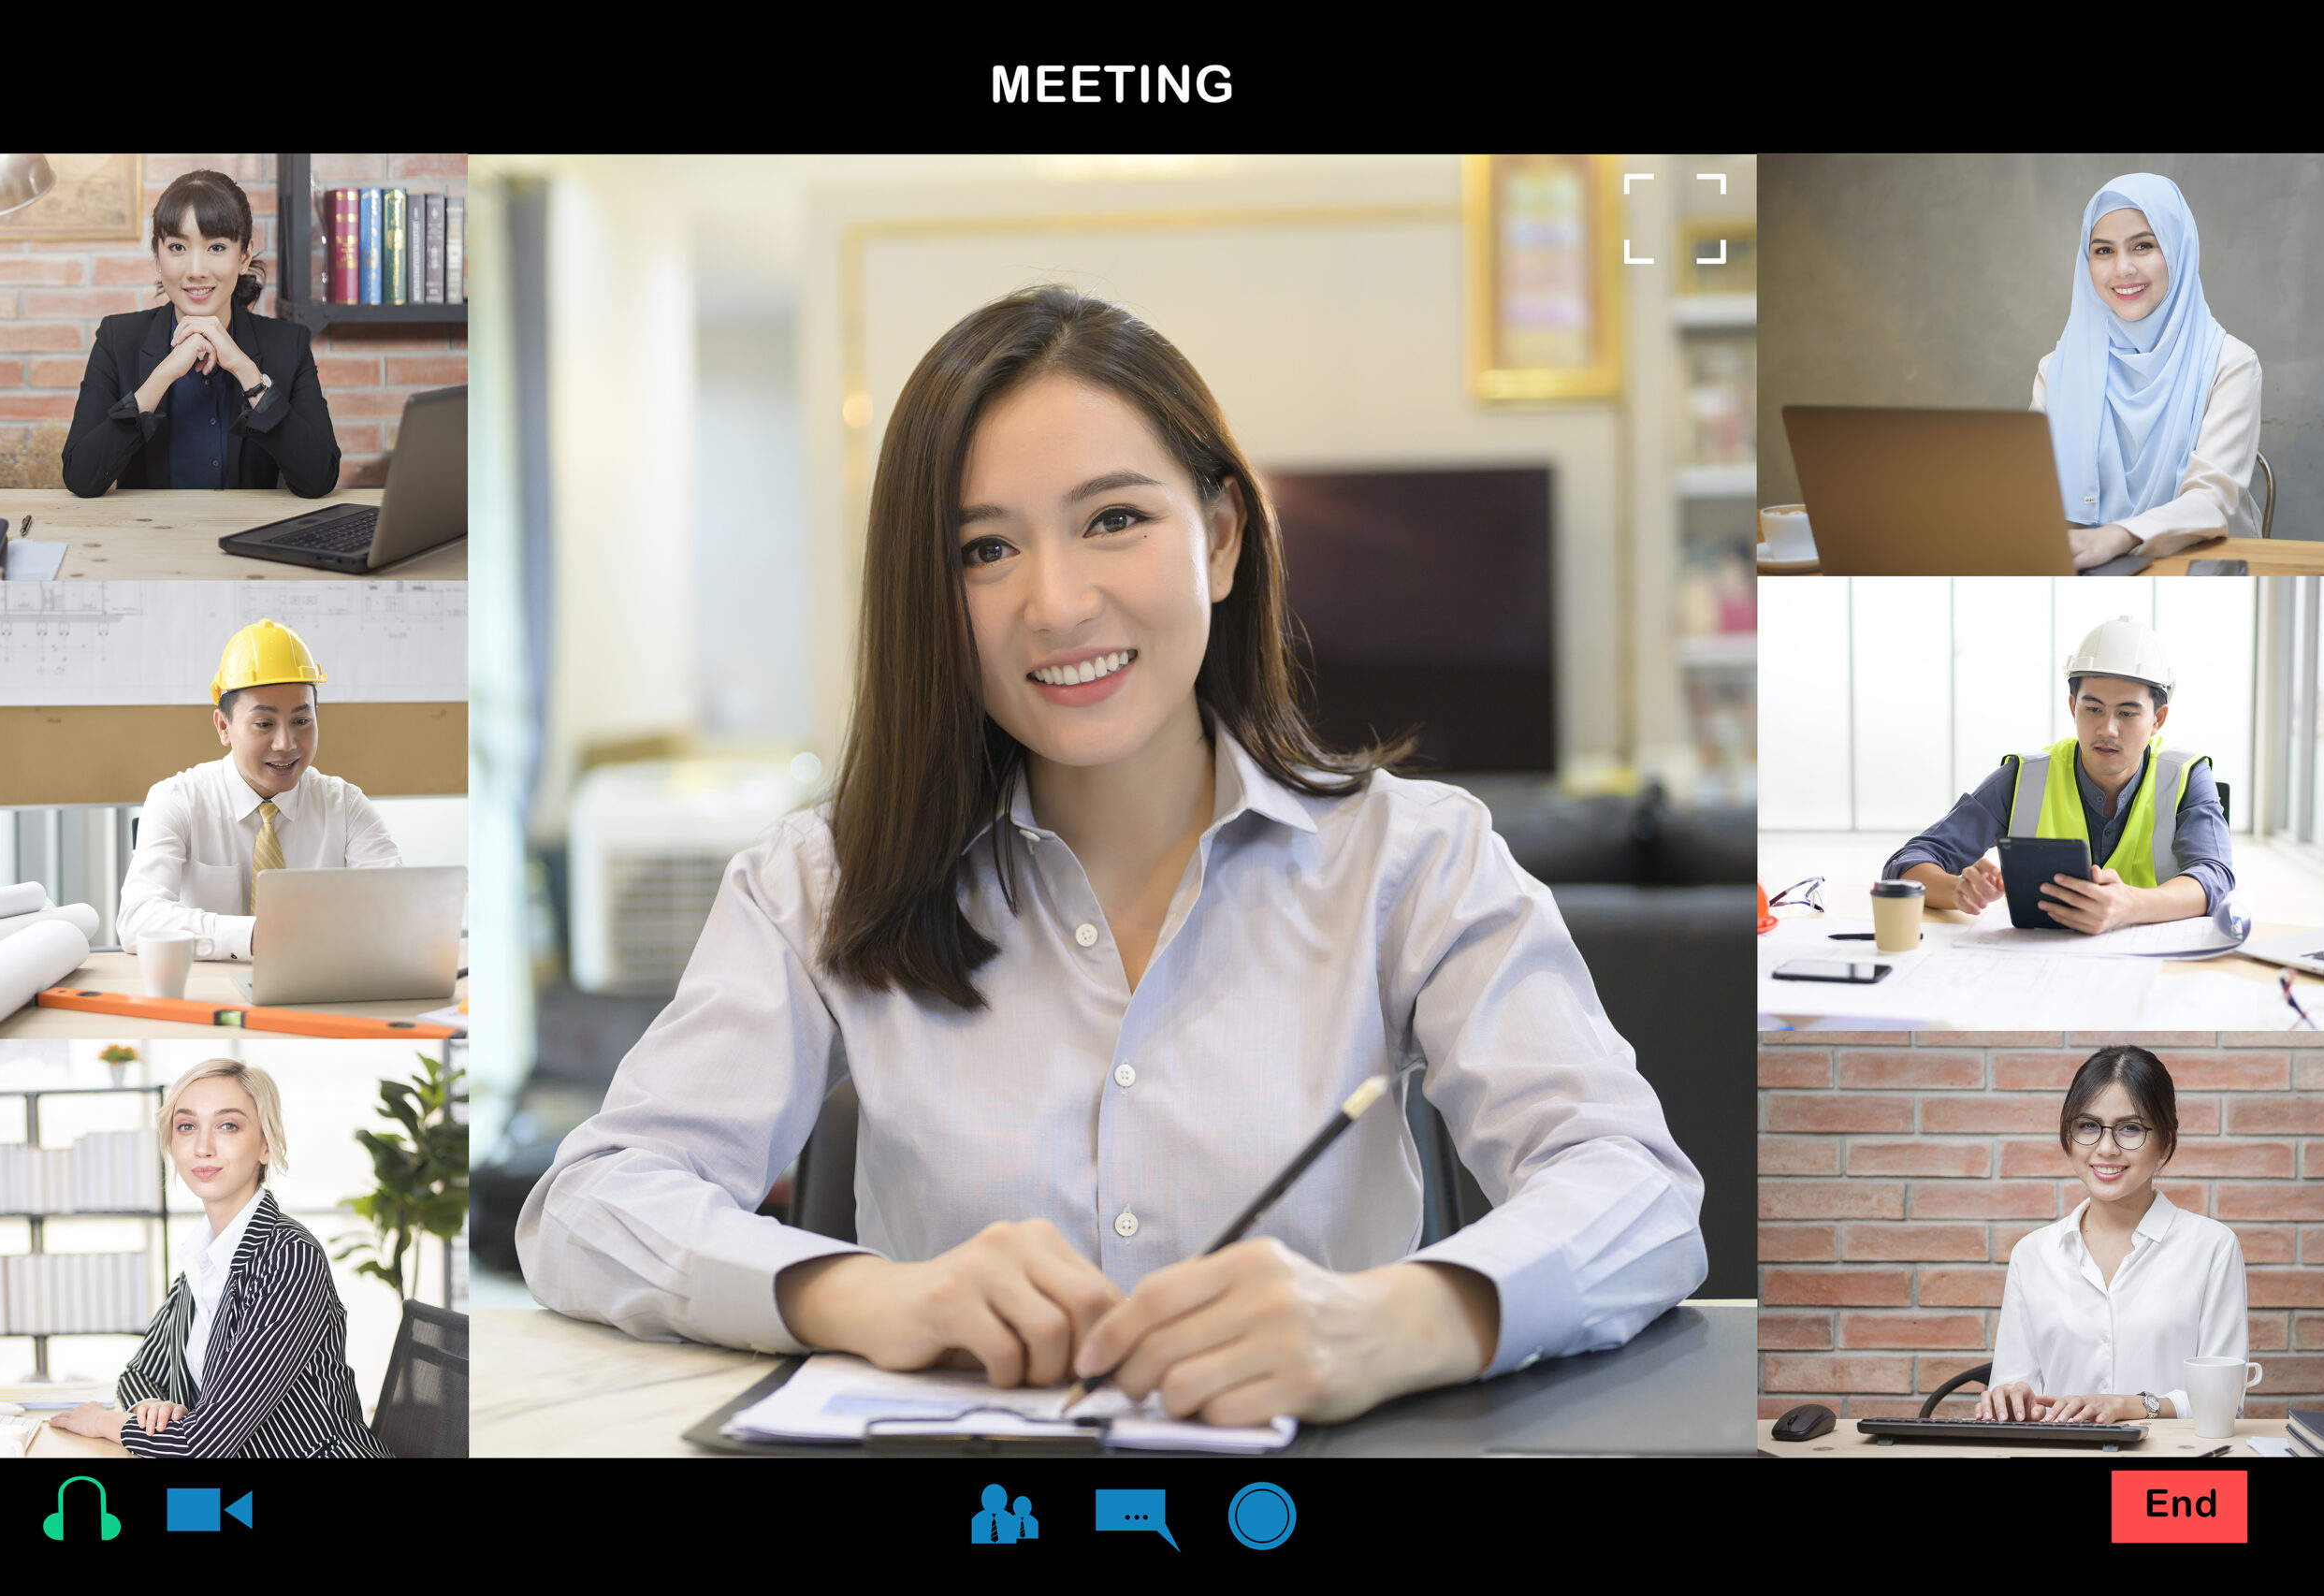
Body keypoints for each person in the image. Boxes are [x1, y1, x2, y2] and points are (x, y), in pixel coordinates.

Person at [519, 285, 1706, 1429]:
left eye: (1114, 519)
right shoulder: (814, 882)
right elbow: (590, 1204)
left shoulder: (1415, 858)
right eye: (984, 549)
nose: (1056, 602)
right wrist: (868, 1295)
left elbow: (1636, 1192)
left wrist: (1395, 1318)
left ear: (1223, 538)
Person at [47, 1059, 389, 1456]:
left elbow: (205, 1444)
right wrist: (150, 1411)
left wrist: (106, 1423)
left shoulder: (288, 1257)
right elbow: (141, 1373)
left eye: (228, 1125)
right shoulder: (205, 1258)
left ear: (265, 1144)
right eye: (186, 1126)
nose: (203, 1147)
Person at [1887, 616, 2230, 933]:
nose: (2107, 729)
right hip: (2038, 968)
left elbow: (2216, 877)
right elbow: (1908, 863)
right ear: (2072, 707)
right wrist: (1959, 889)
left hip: (2156, 967)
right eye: (2093, 709)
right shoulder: (2025, 778)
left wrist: (2130, 905)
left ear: (2158, 719)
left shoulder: (2186, 777)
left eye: (2127, 713)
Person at [1975, 1046, 2246, 1424]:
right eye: (2088, 1126)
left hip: (2168, 1473)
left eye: (2130, 1129)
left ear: (2166, 1141)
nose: (2106, 1148)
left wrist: (2126, 1406)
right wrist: (2010, 1397)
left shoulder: (2212, 1247)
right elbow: (2015, 1387)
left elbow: (2225, 1400)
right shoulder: (2033, 1253)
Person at [117, 618, 400, 961]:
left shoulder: (345, 805)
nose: (286, 744)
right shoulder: (177, 800)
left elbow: (396, 907)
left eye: (301, 721)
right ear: (224, 727)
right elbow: (137, 920)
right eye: (264, 724)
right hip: (207, 997)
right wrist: (255, 935)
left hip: (319, 987)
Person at [61, 168, 341, 498]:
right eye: (178, 247)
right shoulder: (117, 339)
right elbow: (81, 476)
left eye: (217, 247)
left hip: (249, 539)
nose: (195, 271)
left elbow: (319, 478)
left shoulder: (288, 345)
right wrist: (162, 375)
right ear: (157, 255)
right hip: (147, 541)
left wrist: (247, 372)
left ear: (244, 256)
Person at [2034, 173, 2262, 569]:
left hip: (2207, 572)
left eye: (2143, 245)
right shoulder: (2056, 370)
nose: (2122, 268)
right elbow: (2031, 495)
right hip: (2088, 572)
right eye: (2103, 251)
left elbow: (2209, 501)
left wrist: (2118, 537)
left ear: (2177, 249)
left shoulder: (2231, 364)